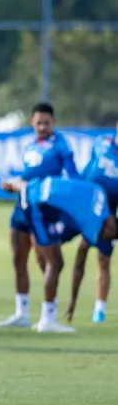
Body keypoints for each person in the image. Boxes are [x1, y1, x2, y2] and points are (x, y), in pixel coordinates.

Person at [0, 103, 79, 330]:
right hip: (22, 208)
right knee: (19, 260)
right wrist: (13, 182)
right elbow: (28, 176)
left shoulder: (61, 146)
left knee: (50, 261)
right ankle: (21, 313)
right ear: (32, 123)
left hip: (43, 211)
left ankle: (48, 318)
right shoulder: (31, 146)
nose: (42, 127)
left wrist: (27, 186)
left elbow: (72, 178)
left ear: (54, 122)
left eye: (47, 123)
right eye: (38, 123)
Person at [1, 176, 118, 332]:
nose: (104, 234)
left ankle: (26, 314)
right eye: (107, 234)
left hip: (35, 188)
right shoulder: (94, 226)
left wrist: (16, 185)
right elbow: (80, 261)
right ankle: (47, 320)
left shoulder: (100, 193)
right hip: (37, 206)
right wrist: (73, 300)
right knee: (55, 263)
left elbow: (67, 187)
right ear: (110, 227)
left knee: (43, 259)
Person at [64, 130, 118, 323]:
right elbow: (91, 167)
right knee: (76, 253)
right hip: (83, 205)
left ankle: (99, 310)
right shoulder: (102, 142)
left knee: (103, 259)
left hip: (106, 216)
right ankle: (68, 303)